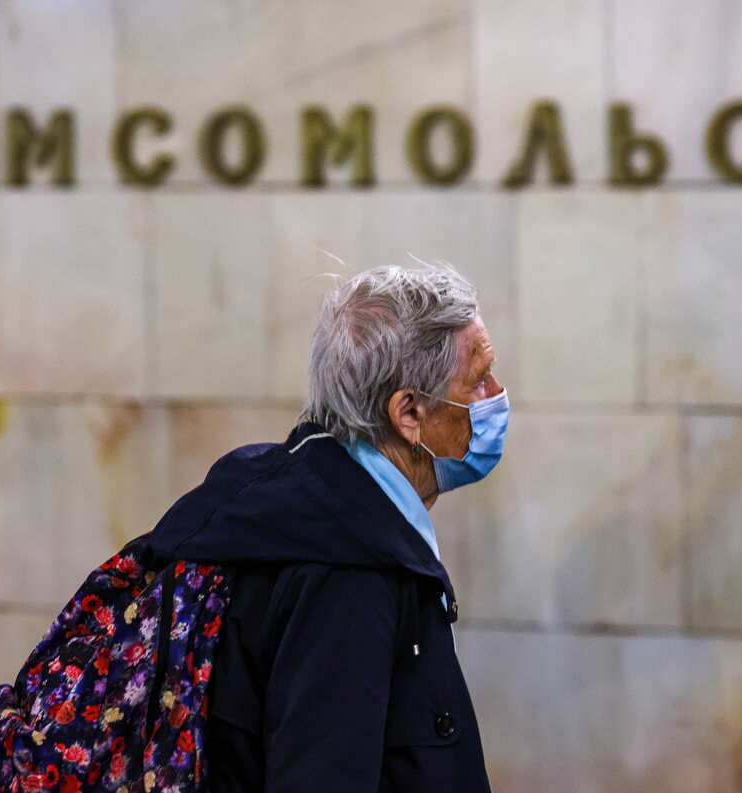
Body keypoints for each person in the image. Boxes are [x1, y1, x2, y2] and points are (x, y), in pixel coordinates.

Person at [145, 260, 506, 792]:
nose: (495, 394)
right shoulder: (351, 571)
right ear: (408, 413)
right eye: (477, 381)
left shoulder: (285, 497)